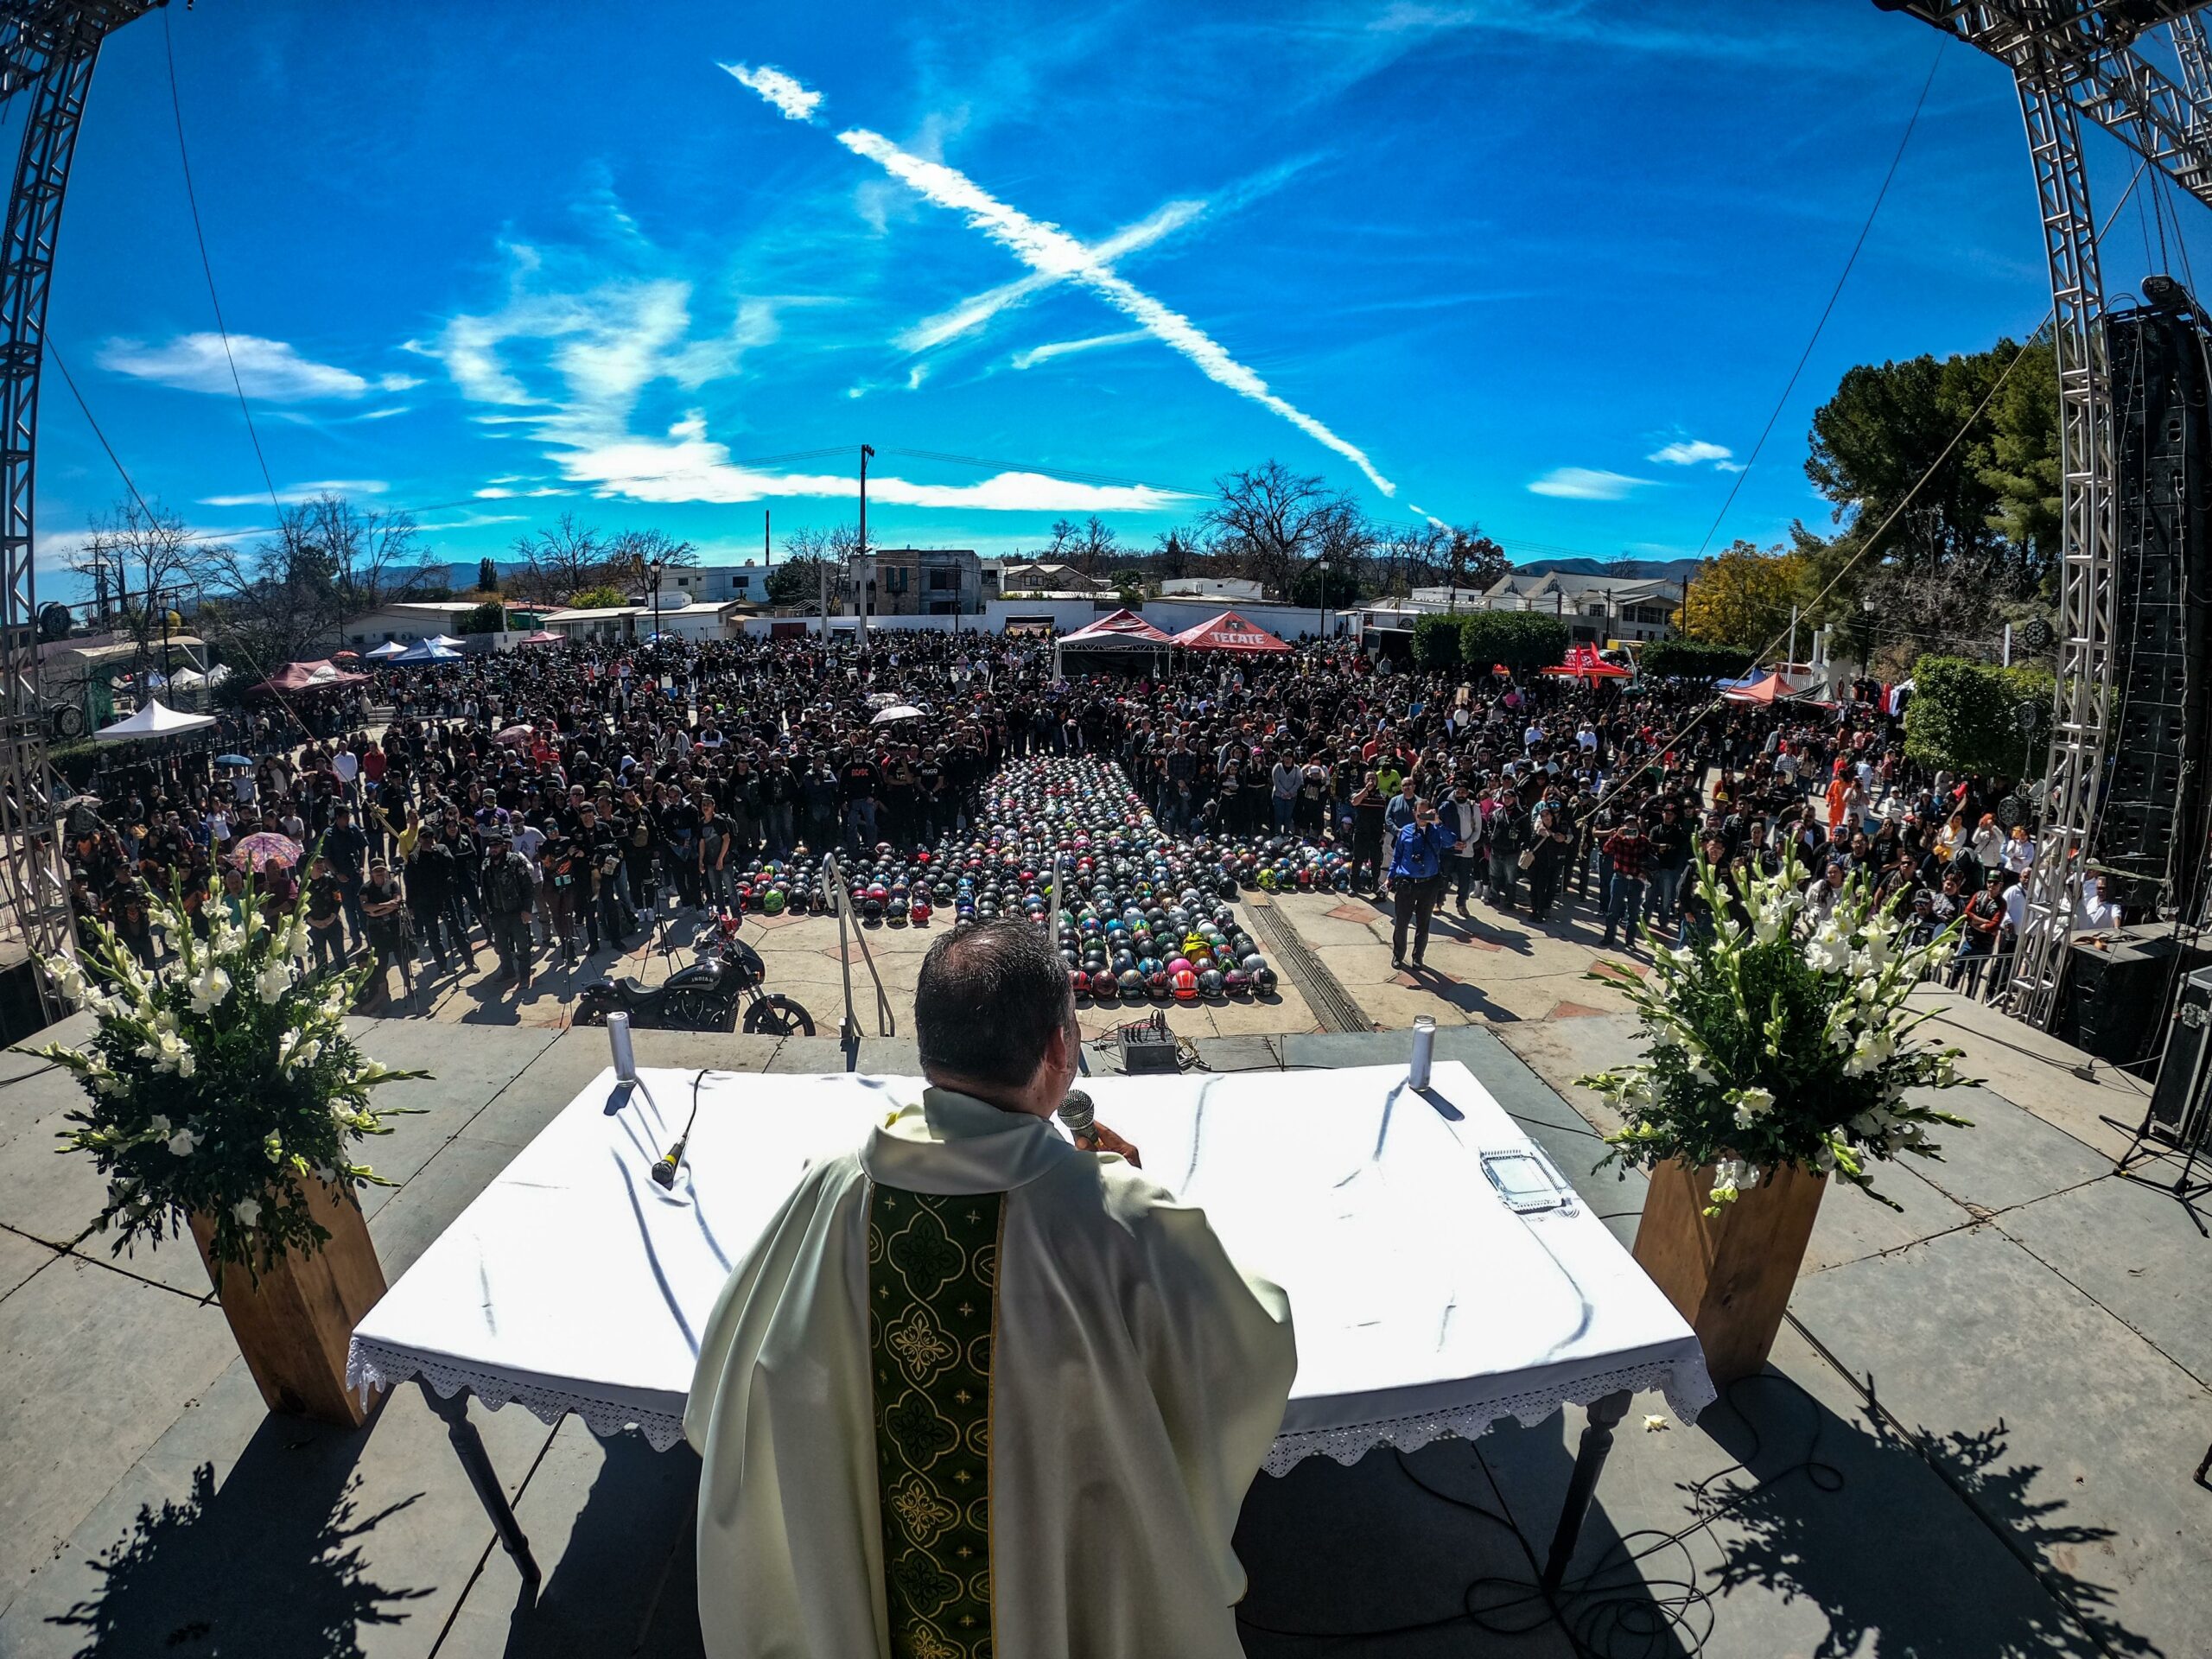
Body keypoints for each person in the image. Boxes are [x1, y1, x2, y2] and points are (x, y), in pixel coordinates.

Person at [684, 920, 1296, 1659]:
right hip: (1059, 1587)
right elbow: (1251, 1341)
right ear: (1059, 1048)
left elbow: (725, 1382)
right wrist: (1134, 1204)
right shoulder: (1120, 1217)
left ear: (927, 1046)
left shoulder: (833, 1185)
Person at [1389, 795, 1459, 970]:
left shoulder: (1436, 830)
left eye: (1425, 814)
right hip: (1407, 883)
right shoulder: (1405, 831)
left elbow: (1451, 841)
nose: (1422, 817)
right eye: (1419, 814)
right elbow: (1397, 856)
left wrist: (1437, 822)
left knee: (1423, 923)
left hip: (1429, 884)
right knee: (1402, 922)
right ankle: (1398, 955)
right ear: (1414, 813)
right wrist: (1391, 877)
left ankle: (1418, 957)